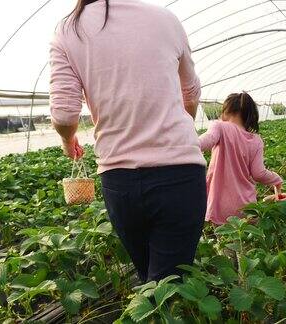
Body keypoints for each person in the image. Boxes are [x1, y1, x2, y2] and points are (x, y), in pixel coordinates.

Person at [49, 0, 206, 283]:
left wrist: (67, 140)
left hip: (119, 180)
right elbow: (191, 92)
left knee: (151, 280)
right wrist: (180, 129)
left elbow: (63, 114)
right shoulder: (166, 19)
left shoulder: (68, 29)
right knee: (168, 287)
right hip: (179, 174)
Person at [199, 92, 283, 225]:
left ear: (226, 111)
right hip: (247, 207)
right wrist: (276, 179)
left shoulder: (219, 126)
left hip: (220, 206)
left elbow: (208, 140)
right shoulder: (256, 140)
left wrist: (187, 146)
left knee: (226, 244)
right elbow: (258, 173)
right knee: (247, 243)